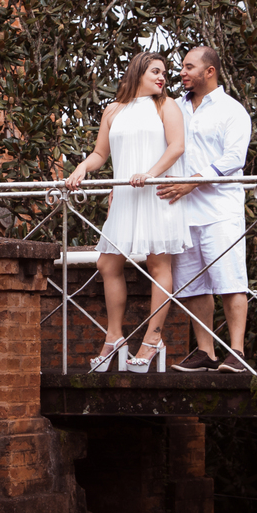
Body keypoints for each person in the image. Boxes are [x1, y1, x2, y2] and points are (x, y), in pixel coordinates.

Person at [65, 52, 190, 373]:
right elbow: (100, 153)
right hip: (124, 196)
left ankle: (153, 339)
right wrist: (82, 167)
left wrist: (150, 173)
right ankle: (114, 337)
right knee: (107, 263)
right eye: (155, 71)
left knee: (158, 263)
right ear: (138, 72)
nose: (162, 77)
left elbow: (177, 146)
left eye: (164, 73)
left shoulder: (167, 105)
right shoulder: (113, 110)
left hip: (156, 194)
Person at [158, 46, 252, 373]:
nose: (181, 72)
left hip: (220, 210)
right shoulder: (173, 107)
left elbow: (234, 158)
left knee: (230, 280)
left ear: (209, 71)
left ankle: (237, 353)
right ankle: (205, 352)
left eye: (189, 67)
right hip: (182, 211)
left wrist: (193, 182)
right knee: (194, 284)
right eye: (182, 67)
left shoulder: (232, 110)